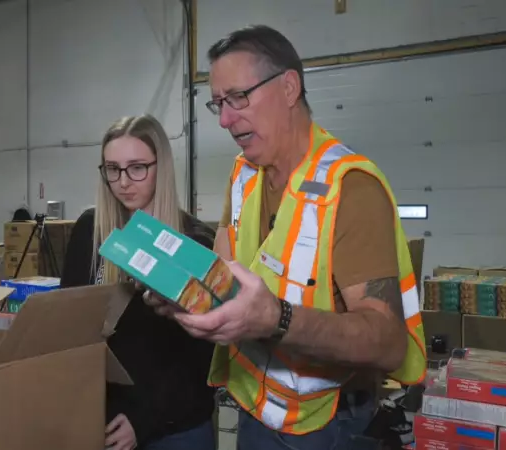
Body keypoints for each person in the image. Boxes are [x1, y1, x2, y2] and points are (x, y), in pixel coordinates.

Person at [145, 25, 426, 449]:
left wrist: (277, 318)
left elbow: (387, 344)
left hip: (325, 426)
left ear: (289, 86)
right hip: (253, 407)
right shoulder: (243, 175)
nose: (224, 119)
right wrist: (185, 293)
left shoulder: (350, 187)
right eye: (218, 103)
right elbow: (223, 277)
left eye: (238, 97)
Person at [60, 115, 217, 450]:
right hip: (101, 419)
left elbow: (201, 359)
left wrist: (143, 420)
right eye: (112, 169)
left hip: (174, 428)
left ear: (161, 166)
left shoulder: (195, 243)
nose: (123, 182)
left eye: (137, 168)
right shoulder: (90, 231)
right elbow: (67, 322)